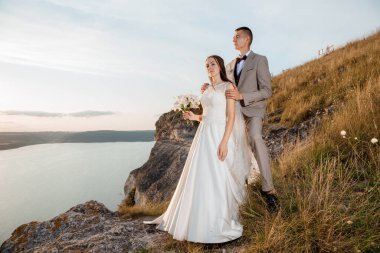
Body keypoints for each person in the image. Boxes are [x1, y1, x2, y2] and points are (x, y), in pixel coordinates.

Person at [143, 55, 255, 243]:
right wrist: (194, 117)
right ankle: (196, 221)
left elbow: (231, 117)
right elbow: (206, 115)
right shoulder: (208, 89)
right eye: (206, 65)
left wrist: (225, 142)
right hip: (203, 135)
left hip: (220, 134)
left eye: (212, 64)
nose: (209, 67)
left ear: (219, 66)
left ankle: (218, 222)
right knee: (201, 175)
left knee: (219, 175)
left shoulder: (228, 87)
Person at [202, 27, 279, 212]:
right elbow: (222, 83)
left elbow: (267, 91)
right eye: (233, 37)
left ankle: (269, 190)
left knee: (254, 138)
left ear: (247, 38)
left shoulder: (260, 60)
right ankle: (237, 188)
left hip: (253, 111)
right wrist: (209, 84)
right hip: (233, 113)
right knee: (234, 147)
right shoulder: (229, 65)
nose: (233, 40)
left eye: (237, 37)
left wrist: (242, 96)